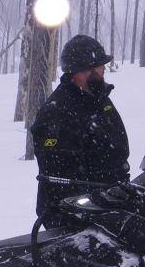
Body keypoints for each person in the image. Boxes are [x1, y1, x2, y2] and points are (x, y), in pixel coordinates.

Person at [31, 34, 130, 221]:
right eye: (100, 66)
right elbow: (61, 175)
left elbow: (117, 146)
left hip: (110, 200)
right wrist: (100, 197)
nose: (103, 70)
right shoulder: (56, 113)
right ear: (81, 71)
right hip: (73, 214)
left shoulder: (100, 99)